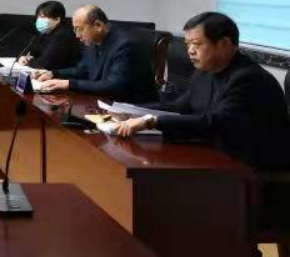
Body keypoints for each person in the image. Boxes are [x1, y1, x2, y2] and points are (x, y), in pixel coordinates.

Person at [116, 12, 290, 170]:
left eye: (197, 44)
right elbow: (179, 107)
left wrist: (151, 122)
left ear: (224, 44)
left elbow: (216, 123)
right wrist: (130, 112)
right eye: (187, 44)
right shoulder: (204, 71)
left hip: (254, 169)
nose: (190, 51)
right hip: (218, 154)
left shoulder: (248, 79)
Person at [32, 5, 157, 103]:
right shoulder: (94, 39)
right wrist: (53, 73)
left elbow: (113, 86)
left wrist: (68, 84)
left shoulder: (125, 44)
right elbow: (83, 70)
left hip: (133, 108)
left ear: (98, 25)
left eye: (80, 29)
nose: (77, 35)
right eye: (75, 30)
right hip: (105, 102)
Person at [18, 0, 82, 71]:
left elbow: (45, 64)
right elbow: (32, 50)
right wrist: (24, 57)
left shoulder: (62, 36)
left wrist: (28, 61)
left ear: (57, 19)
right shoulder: (47, 33)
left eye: (42, 17)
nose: (39, 20)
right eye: (38, 17)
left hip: (65, 75)